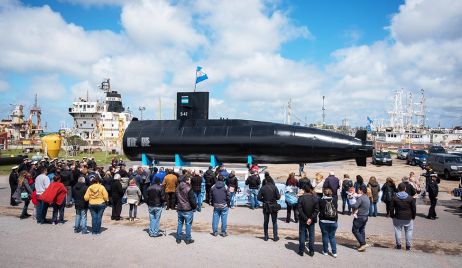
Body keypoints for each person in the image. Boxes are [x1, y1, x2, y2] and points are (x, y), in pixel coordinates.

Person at [391, 183, 416, 250]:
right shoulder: (410, 198)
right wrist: (413, 216)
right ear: (405, 189)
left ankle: (398, 245)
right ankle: (408, 246)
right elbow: (414, 208)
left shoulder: (394, 198)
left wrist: (392, 215)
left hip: (398, 217)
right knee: (409, 231)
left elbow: (391, 208)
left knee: (398, 231)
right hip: (408, 217)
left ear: (398, 189)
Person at [257, 172, 281, 241]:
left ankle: (266, 236)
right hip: (273, 205)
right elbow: (278, 197)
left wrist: (264, 200)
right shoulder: (274, 187)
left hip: (266, 206)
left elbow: (258, 198)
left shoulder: (263, 188)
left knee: (266, 221)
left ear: (266, 181)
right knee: (274, 222)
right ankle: (275, 237)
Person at [297, 181, 319, 256]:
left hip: (304, 219)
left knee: (302, 234)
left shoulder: (301, 198)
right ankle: (311, 251)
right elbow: (316, 210)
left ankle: (301, 250)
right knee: (311, 235)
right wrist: (310, 218)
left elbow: (299, 210)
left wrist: (307, 218)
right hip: (310, 219)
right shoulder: (315, 198)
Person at [175, 175, 197, 244]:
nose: (190, 181)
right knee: (188, 224)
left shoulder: (178, 188)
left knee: (180, 223)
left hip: (180, 208)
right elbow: (192, 200)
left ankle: (178, 238)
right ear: (186, 180)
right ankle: (188, 239)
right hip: (187, 209)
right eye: (189, 180)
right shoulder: (188, 188)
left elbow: (176, 198)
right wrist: (194, 207)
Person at [350, 185, 371, 252]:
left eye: (358, 189)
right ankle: (362, 244)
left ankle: (363, 243)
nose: (357, 190)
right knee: (362, 230)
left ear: (361, 191)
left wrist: (350, 204)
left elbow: (355, 205)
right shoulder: (366, 197)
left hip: (360, 216)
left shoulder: (361, 198)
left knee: (354, 230)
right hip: (365, 216)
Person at [319, 188, 338, 257]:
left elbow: (319, 210)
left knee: (325, 236)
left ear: (324, 193)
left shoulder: (321, 201)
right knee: (332, 237)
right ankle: (334, 252)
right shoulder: (335, 200)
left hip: (323, 221)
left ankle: (325, 251)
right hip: (333, 221)